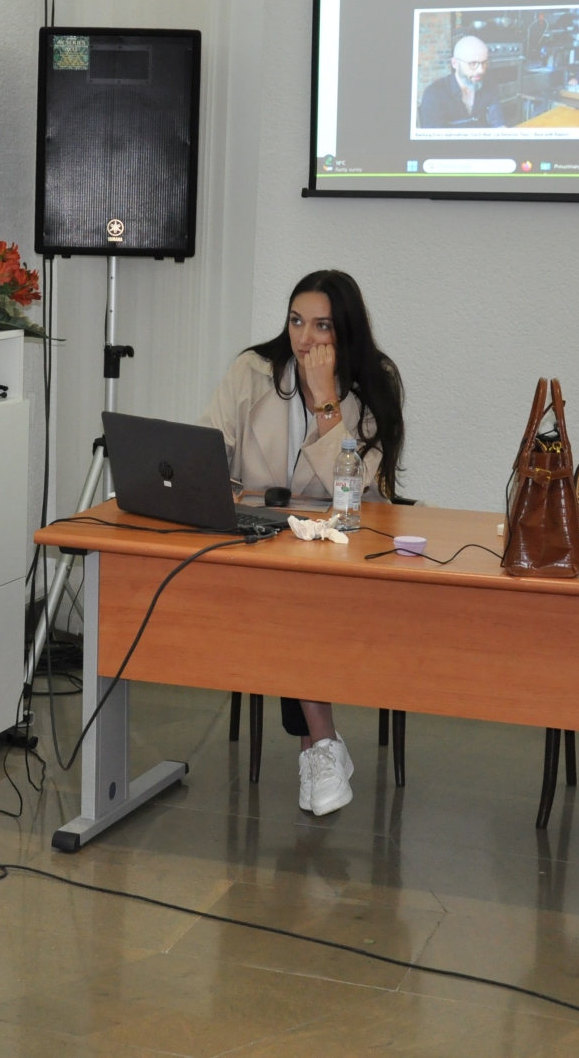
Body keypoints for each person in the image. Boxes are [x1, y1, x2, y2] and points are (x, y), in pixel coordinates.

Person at [201, 271, 406, 816]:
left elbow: (356, 485)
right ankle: (323, 747)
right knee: (283, 598)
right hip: (257, 543)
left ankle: (319, 747)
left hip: (338, 551)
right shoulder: (252, 371)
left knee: (294, 602)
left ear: (345, 331)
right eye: (296, 321)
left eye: (321, 326)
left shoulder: (375, 382)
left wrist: (325, 401)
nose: (305, 338)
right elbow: (209, 450)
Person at [417, 35, 506, 128]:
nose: (481, 70)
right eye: (473, 63)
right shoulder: (434, 95)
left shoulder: (489, 85)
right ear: (455, 63)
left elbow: (498, 123)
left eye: (484, 63)